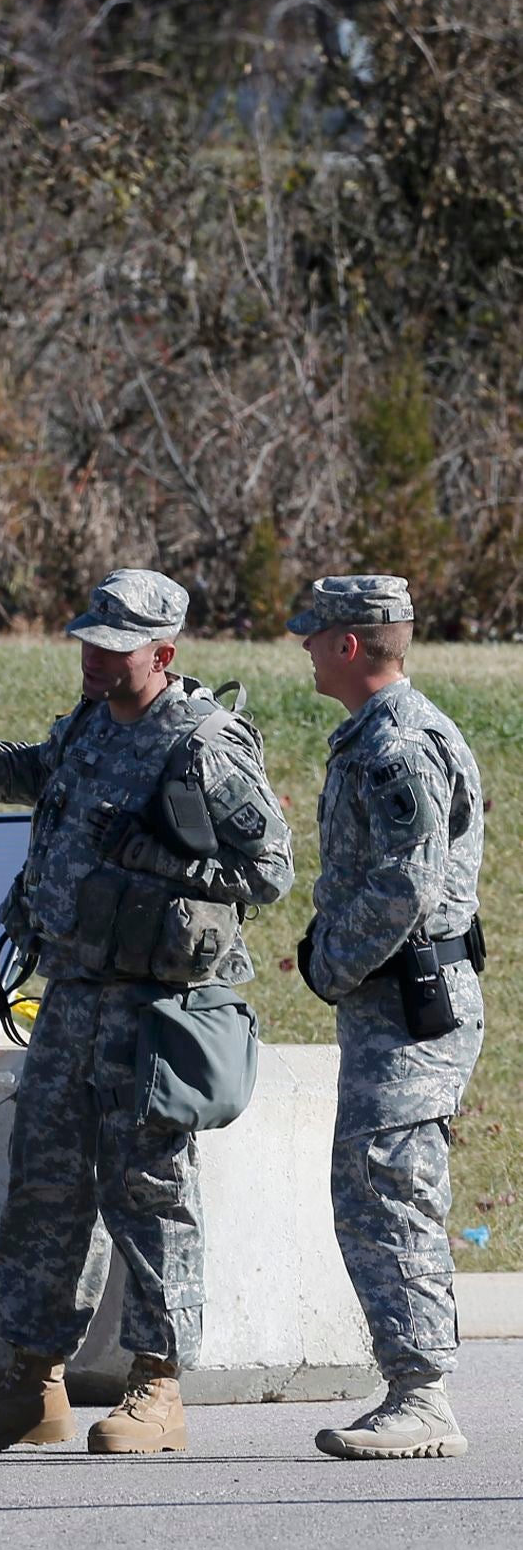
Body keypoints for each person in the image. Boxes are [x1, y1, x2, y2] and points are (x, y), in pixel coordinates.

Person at [0, 569, 293, 1455]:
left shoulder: (203, 744)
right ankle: (33, 1383)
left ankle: (158, 1386)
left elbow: (269, 869)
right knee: (43, 1190)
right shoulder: (86, 723)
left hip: (155, 1007)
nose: (94, 656)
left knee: (149, 1194)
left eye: (114, 647)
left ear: (163, 653)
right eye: (88, 641)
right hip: (69, 996)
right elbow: (41, 773)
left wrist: (162, 861)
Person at [291, 575, 487, 1462]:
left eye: (314, 633)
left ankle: (423, 1396)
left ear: (349, 644)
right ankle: (411, 1384)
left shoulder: (398, 744)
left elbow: (404, 884)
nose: (302, 647)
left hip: (408, 1005)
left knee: (390, 1188)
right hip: (393, 1005)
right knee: (376, 1187)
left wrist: (329, 961)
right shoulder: (378, 734)